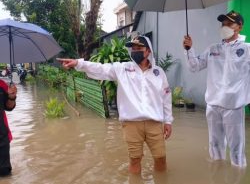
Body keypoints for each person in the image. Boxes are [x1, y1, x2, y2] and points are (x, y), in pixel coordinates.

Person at [57, 35, 173, 174]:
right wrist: (78, 63)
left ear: (148, 51)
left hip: (154, 122)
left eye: (139, 48)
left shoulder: (158, 72)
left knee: (160, 158)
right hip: (131, 124)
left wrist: (168, 121)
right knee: (135, 160)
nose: (134, 51)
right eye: (133, 48)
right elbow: (101, 68)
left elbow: (166, 96)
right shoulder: (123, 69)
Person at [183, 11, 248, 168]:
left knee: (236, 150)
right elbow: (194, 66)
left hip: (234, 107)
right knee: (215, 145)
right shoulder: (213, 49)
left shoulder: (247, 49)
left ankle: (236, 178)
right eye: (223, 24)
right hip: (213, 106)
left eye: (229, 24)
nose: (225, 27)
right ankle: (217, 176)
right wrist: (188, 49)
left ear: (239, 27)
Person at [0, 80, 17, 176]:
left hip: (2, 137)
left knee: (4, 173)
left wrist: (12, 97)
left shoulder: (2, 85)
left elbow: (9, 106)